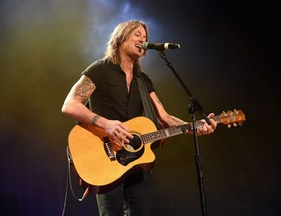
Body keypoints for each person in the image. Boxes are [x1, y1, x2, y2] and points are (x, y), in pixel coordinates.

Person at [61, 20, 217, 216]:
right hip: (105, 157)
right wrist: (106, 124)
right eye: (137, 34)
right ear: (121, 38)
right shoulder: (99, 70)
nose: (143, 39)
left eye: (145, 37)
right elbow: (69, 105)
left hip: (137, 162)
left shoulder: (143, 81)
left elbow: (164, 118)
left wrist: (195, 126)